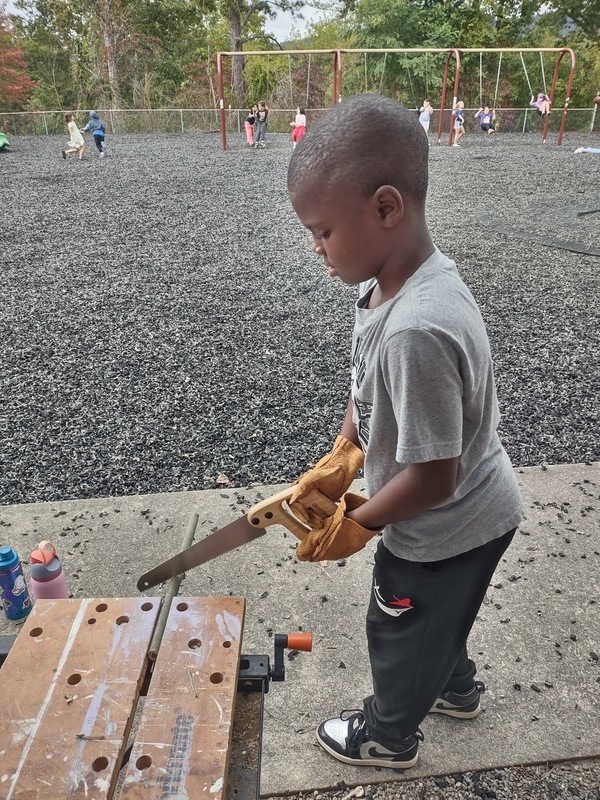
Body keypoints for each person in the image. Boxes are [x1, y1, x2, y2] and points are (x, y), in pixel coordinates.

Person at [286, 94, 523, 770]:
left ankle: (388, 736)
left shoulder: (419, 328)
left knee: (397, 622)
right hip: (468, 512)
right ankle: (454, 687)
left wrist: (358, 521)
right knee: (440, 616)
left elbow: (430, 477)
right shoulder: (390, 284)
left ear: (387, 208)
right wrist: (344, 456)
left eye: (324, 231)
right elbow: (368, 388)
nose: (316, 248)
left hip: (445, 525)